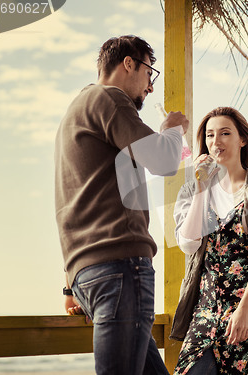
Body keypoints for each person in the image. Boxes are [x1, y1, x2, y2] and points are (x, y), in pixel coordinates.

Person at [54, 35, 189, 375]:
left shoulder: (77, 108)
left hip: (90, 273)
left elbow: (77, 197)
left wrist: (71, 283)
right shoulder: (111, 98)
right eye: (149, 73)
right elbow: (162, 161)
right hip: (120, 268)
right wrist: (173, 130)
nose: (150, 87)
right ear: (128, 64)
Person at [170, 107, 248, 374]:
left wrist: (245, 308)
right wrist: (201, 188)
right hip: (206, 309)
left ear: (242, 140)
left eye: (225, 133)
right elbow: (188, 244)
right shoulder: (191, 189)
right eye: (210, 135)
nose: (216, 141)